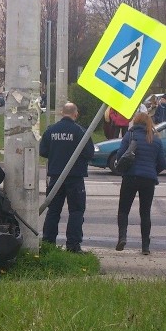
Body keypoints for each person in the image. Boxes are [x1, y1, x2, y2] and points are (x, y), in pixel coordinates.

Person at [39, 102, 95, 253]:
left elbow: (43, 151)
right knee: (76, 211)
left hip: (56, 176)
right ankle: (73, 246)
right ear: (76, 114)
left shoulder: (51, 131)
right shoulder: (80, 131)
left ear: (61, 113)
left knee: (53, 211)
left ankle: (48, 243)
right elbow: (89, 153)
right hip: (75, 177)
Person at [115, 111, 166, 255]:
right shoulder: (155, 139)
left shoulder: (130, 135)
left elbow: (120, 155)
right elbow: (163, 163)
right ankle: (145, 246)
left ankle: (122, 237)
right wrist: (152, 170)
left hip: (130, 177)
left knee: (124, 210)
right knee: (145, 213)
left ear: (135, 122)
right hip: (148, 180)